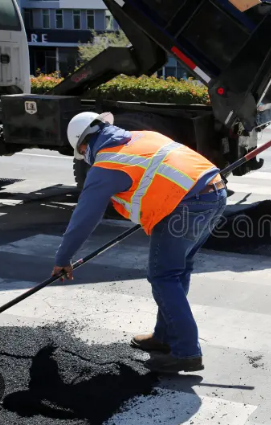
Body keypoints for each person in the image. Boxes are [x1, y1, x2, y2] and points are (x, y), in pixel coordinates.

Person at [51, 111, 227, 373]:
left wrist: (62, 259)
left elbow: (84, 218)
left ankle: (187, 352)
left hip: (185, 206)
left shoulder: (106, 165)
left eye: (82, 151)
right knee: (178, 272)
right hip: (215, 191)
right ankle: (165, 336)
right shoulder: (143, 136)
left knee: (163, 275)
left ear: (85, 145)